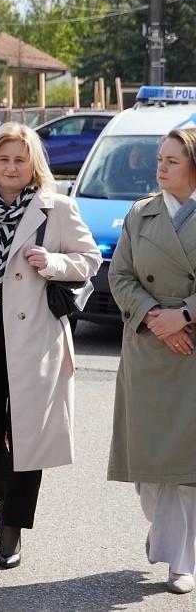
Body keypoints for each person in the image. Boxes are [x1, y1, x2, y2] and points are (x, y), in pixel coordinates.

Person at [0, 121, 99, 570]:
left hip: (35, 339)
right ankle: (13, 503)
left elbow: (90, 259)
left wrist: (54, 261)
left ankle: (10, 530)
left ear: (33, 165)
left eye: (19, 160)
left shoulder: (57, 208)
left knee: (29, 435)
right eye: (3, 159)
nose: (10, 167)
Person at [107, 127, 196, 595]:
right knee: (146, 467)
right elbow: (119, 275)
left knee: (186, 469)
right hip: (147, 345)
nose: (159, 168)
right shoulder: (139, 213)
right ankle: (165, 530)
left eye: (172, 161)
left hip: (192, 349)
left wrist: (184, 315)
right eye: (159, 159)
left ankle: (181, 559)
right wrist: (154, 316)